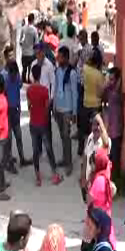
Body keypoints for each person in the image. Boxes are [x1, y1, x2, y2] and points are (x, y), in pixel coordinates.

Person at [28, 63, 62, 186]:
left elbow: (29, 105)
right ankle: (54, 175)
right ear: (40, 75)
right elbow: (47, 107)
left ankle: (38, 177)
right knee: (49, 149)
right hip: (43, 122)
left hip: (33, 123)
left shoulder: (29, 90)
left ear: (32, 75)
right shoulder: (44, 90)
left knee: (35, 150)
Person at [87, 148, 117, 250]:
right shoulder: (105, 174)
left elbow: (89, 199)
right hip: (106, 212)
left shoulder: (98, 180)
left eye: (92, 164)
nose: (91, 166)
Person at [53, 46, 78, 175]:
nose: (58, 58)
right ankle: (64, 158)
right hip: (58, 109)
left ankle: (69, 164)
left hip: (68, 110)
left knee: (67, 136)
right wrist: (54, 107)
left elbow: (75, 93)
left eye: (61, 57)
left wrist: (74, 113)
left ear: (66, 58)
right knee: (63, 136)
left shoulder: (72, 73)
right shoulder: (57, 71)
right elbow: (56, 88)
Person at [4, 56, 31, 169]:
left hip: (15, 110)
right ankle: (10, 160)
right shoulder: (6, 79)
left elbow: (19, 85)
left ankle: (21, 158)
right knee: (10, 138)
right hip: (9, 111)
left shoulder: (15, 78)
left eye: (15, 72)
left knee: (18, 136)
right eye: (12, 73)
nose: (14, 75)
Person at [80, 49, 105, 155]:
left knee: (86, 131)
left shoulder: (85, 69)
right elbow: (100, 94)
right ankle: (93, 153)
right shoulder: (99, 75)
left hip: (85, 104)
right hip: (96, 107)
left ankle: (84, 152)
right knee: (95, 132)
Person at [104, 66, 124, 178]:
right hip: (110, 127)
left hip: (116, 129)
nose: (110, 81)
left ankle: (114, 179)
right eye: (109, 79)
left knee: (114, 157)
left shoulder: (116, 93)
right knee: (110, 156)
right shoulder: (109, 91)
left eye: (112, 79)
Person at [20, 13, 38, 83]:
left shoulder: (23, 29)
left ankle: (23, 80)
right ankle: (29, 80)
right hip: (31, 53)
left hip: (24, 53)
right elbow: (36, 43)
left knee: (24, 69)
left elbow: (20, 41)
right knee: (30, 69)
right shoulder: (34, 30)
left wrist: (24, 46)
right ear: (33, 20)